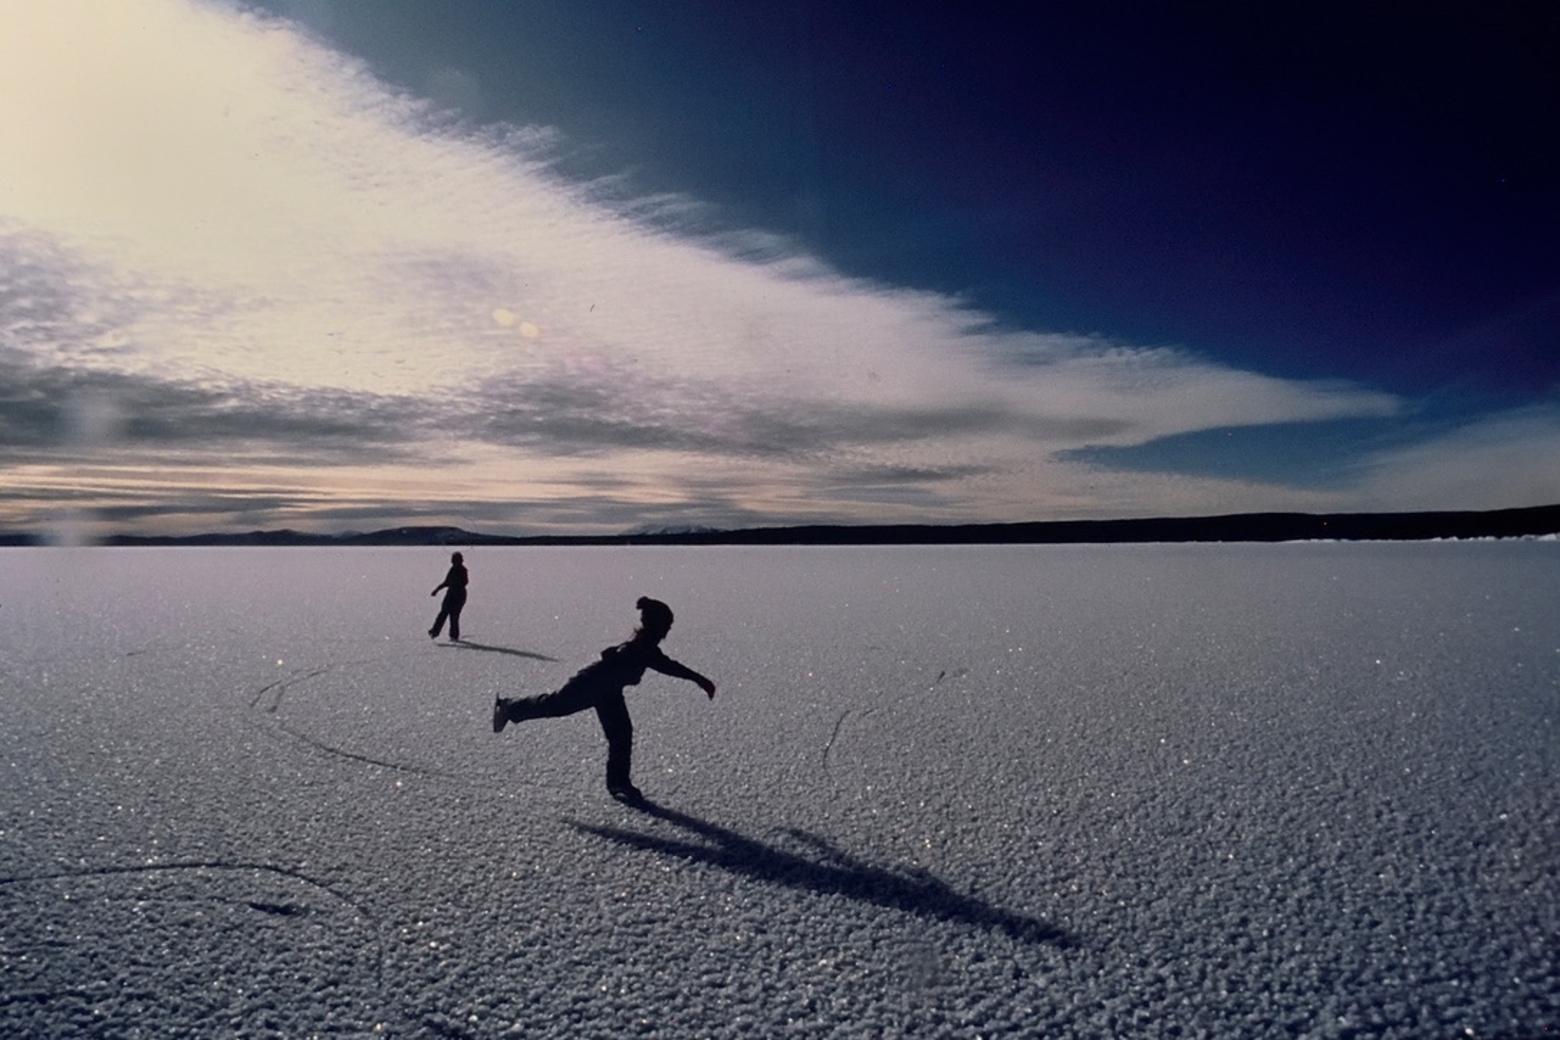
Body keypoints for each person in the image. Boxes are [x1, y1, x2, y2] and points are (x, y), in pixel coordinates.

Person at [492, 596, 716, 803]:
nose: (668, 629)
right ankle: (509, 707)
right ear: (657, 625)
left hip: (608, 691)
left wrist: (698, 679)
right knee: (556, 705)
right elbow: (660, 664)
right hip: (591, 684)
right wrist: (699, 679)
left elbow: (658, 663)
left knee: (621, 734)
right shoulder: (642, 647)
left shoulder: (644, 646)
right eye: (667, 624)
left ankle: (618, 783)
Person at [428, 551, 469, 641]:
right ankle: (435, 631)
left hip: (459, 595)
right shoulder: (452, 569)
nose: (453, 562)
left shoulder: (463, 570)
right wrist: (437, 590)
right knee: (443, 613)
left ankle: (454, 636)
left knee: (454, 616)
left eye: (455, 560)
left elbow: (465, 582)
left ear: (460, 560)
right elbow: (447, 582)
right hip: (450, 594)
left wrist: (454, 584)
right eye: (453, 560)